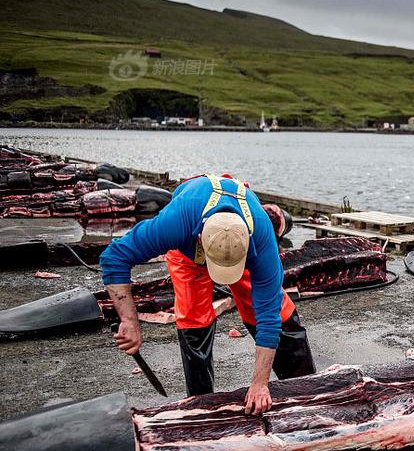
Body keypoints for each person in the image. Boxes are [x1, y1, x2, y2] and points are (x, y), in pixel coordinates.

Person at [100, 173, 316, 415]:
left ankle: (306, 387)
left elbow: (268, 315)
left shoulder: (261, 237)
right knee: (193, 317)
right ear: (201, 237)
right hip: (189, 251)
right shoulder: (174, 224)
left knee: (272, 310)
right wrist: (129, 320)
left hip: (238, 246)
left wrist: (260, 384)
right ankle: (203, 406)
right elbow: (114, 257)